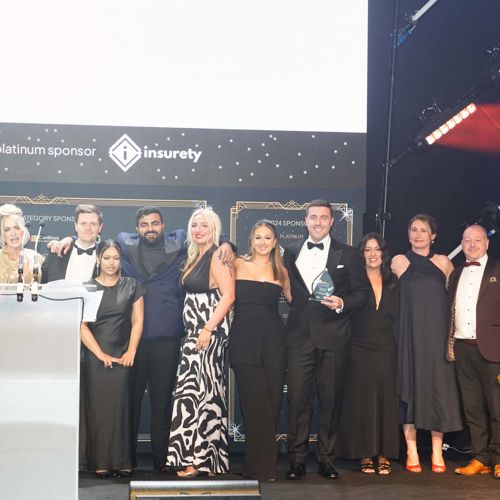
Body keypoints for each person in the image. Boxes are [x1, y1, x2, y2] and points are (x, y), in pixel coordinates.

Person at [53, 206, 233, 471]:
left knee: (163, 402)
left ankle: (163, 460)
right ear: (136, 228)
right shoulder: (124, 244)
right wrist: (68, 239)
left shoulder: (181, 243)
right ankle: (126, 459)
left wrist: (227, 244)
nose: (150, 228)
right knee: (130, 401)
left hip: (167, 338)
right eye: (145, 224)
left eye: (155, 223)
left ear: (163, 225)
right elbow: (93, 242)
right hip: (130, 342)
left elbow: (208, 234)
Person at [283, 199, 369, 480]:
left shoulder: (349, 253)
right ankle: (297, 459)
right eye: (313, 217)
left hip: (334, 336)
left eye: (323, 217)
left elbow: (362, 293)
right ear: (305, 221)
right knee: (298, 400)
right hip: (299, 336)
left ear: (332, 222)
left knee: (331, 402)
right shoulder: (290, 251)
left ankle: (327, 460)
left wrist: (342, 302)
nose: (318, 222)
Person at [165, 208, 234, 477]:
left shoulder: (217, 255)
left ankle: (199, 460)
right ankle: (210, 460)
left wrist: (207, 328)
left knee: (201, 396)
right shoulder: (195, 256)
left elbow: (228, 296)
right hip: (195, 334)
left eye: (204, 225)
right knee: (199, 395)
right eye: (194, 225)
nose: (198, 230)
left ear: (214, 228)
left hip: (206, 335)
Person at [392, 214, 462, 473]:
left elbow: (455, 301)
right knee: (408, 387)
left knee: (438, 391)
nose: (418, 234)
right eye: (414, 229)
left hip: (437, 338)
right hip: (407, 335)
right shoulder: (398, 261)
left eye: (423, 230)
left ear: (433, 236)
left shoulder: (444, 262)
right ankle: (411, 450)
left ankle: (436, 451)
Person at [229, 220, 291, 481]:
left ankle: (257, 465)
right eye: (258, 237)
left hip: (274, 342)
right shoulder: (237, 264)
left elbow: (297, 302)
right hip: (244, 341)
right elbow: (221, 293)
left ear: (275, 242)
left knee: (272, 402)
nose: (263, 242)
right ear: (251, 241)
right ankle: (262, 468)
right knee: (254, 404)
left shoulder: (282, 271)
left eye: (267, 238)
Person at [80, 240, 144, 478]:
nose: (111, 263)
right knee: (99, 410)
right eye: (106, 257)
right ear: (98, 259)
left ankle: (124, 461)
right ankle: (101, 462)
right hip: (95, 358)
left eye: (116, 258)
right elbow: (82, 326)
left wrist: (131, 351)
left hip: (123, 357)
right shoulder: (87, 288)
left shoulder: (132, 285)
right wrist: (100, 354)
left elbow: (138, 320)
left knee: (122, 410)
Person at [339, 233, 399, 475]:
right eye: (367, 250)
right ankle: (364, 453)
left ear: (384, 253)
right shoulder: (354, 280)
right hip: (358, 346)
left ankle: (384, 454)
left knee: (386, 400)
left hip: (386, 347)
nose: (373, 254)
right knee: (362, 401)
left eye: (377, 249)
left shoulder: (394, 280)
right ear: (361, 254)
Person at [446, 224, 500, 479]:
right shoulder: (456, 274)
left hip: (494, 351)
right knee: (473, 408)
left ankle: (499, 457)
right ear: (462, 243)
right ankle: (480, 457)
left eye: (477, 240)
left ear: (487, 243)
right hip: (463, 349)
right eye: (467, 240)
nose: (472, 245)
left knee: (498, 408)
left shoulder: (498, 270)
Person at [41, 204, 103, 283]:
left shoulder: (105, 257)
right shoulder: (57, 251)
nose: (88, 228)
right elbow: (42, 284)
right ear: (76, 226)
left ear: (100, 227)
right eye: (83, 223)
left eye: (93, 224)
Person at [0, 204, 43, 284]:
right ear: (2, 235)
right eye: (7, 230)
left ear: (23, 229)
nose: (13, 233)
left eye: (17, 228)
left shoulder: (36, 257)